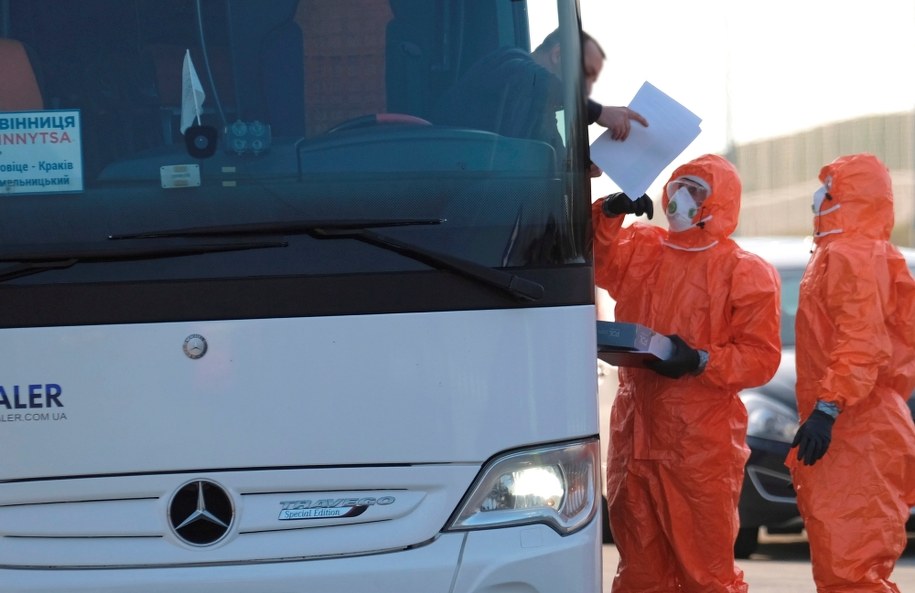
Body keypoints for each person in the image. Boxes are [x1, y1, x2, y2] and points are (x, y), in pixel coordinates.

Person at [592, 154, 781, 593]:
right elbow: (593, 258)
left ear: (719, 202)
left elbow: (760, 357)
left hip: (699, 444)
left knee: (706, 575)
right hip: (634, 433)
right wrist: (610, 211)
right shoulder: (643, 249)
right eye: (679, 185)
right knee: (641, 573)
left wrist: (699, 360)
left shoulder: (743, 272)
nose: (682, 197)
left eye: (696, 190)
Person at [788, 153, 915, 593]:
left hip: (858, 431)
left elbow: (863, 342)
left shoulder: (852, 254)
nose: (819, 196)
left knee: (852, 568)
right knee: (844, 564)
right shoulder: (842, 252)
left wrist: (828, 407)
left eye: (830, 188)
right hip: (855, 428)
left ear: (852, 195)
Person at [431, 29, 647, 155]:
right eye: (587, 73)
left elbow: (554, 165)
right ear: (558, 55)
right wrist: (598, 112)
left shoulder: (542, 113)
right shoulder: (510, 64)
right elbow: (536, 81)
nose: (589, 88)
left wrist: (583, 170)